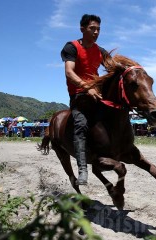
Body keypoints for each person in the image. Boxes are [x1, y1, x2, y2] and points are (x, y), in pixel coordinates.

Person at [61, 14, 110, 185]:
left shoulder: (100, 51)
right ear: (82, 29)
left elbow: (113, 67)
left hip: (96, 93)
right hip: (79, 95)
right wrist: (87, 87)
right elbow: (69, 72)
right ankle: (82, 169)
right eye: (92, 28)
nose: (96, 32)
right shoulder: (71, 47)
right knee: (80, 125)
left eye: (98, 29)